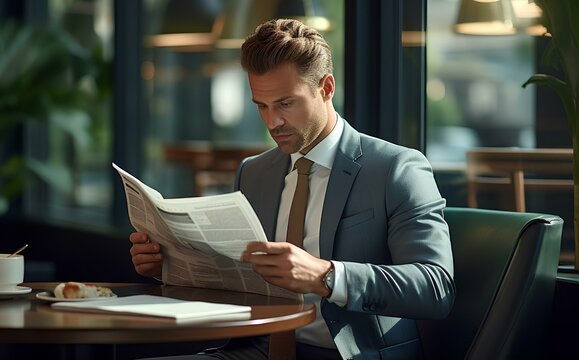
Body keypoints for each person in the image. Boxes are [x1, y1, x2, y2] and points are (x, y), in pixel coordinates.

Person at [130, 18, 455, 359]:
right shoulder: (254, 173)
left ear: (326, 88)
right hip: (258, 348)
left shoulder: (395, 168)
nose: (272, 122)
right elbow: (239, 283)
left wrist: (326, 276)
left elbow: (435, 287)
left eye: (285, 103)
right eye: (262, 106)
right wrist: (167, 266)